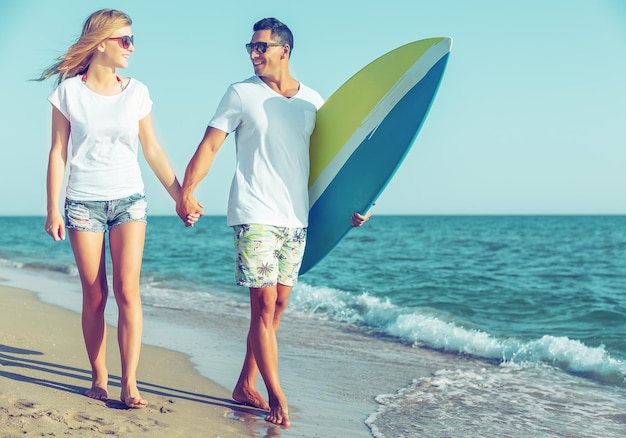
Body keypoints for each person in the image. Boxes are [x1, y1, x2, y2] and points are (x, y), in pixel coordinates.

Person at [176, 17, 370, 427]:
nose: (254, 53)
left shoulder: (312, 103)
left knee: (277, 307)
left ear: (285, 50)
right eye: (250, 47)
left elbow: (331, 166)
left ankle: (245, 383)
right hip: (254, 212)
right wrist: (187, 191)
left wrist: (355, 206)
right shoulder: (241, 93)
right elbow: (210, 145)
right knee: (263, 306)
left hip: (295, 218)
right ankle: (277, 394)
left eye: (262, 47)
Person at [38, 9, 197, 409]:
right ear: (102, 42)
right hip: (82, 203)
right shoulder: (68, 93)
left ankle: (130, 384)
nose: (132, 47)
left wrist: (180, 196)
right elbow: (58, 153)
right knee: (95, 295)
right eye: (125, 39)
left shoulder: (137, 91)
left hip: (129, 199)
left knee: (129, 291)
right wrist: (52, 208)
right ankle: (98, 376)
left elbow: (154, 150)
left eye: (132, 39)